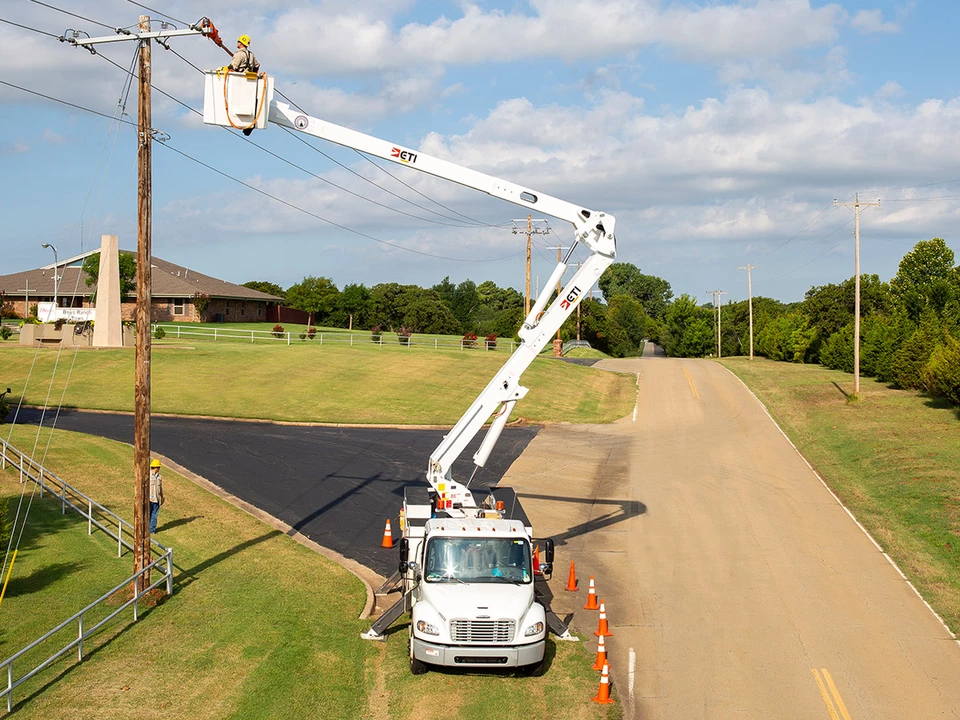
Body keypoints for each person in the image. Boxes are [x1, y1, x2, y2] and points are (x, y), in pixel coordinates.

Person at [149, 458, 165, 534]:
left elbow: (160, 488)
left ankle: (151, 530)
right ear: (156, 467)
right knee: (148, 515)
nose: (159, 469)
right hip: (149, 499)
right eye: (158, 467)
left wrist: (162, 497)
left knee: (154, 516)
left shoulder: (159, 477)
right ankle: (146, 529)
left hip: (156, 499)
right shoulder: (148, 476)